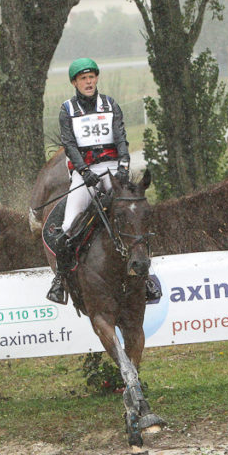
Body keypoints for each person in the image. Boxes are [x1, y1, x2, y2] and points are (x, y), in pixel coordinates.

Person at [46, 58, 160, 305]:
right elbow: (70, 144)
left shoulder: (110, 105)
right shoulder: (67, 110)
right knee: (67, 227)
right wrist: (84, 171)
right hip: (84, 173)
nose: (88, 82)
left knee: (134, 215)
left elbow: (121, 138)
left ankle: (148, 278)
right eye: (83, 79)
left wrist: (123, 167)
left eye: (91, 77)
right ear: (75, 83)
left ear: (96, 79)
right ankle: (60, 283)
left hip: (111, 170)